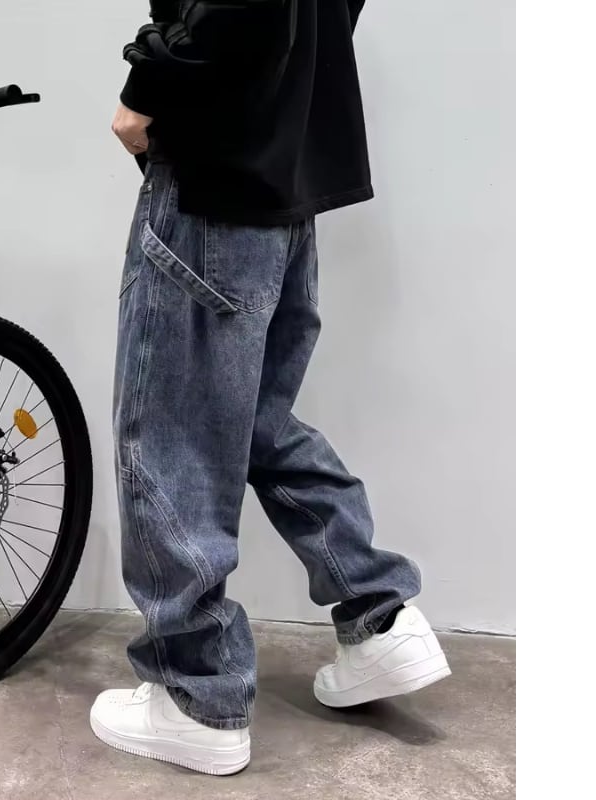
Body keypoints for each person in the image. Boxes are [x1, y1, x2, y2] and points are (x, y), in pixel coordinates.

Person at [90, 0, 450, 776]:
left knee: (168, 433)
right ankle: (379, 615)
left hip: (215, 172)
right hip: (284, 172)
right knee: (255, 419)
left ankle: (197, 695)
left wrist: (148, 85)